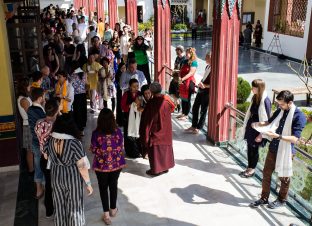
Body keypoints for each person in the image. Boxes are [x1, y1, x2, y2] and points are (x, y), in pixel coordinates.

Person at [250, 90, 306, 209]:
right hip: (273, 147)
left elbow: (295, 139)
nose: (279, 106)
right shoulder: (280, 110)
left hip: (286, 151)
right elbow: (269, 122)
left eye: (281, 104)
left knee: (284, 177)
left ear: (290, 102)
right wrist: (257, 124)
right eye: (279, 104)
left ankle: (281, 200)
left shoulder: (299, 116)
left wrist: (278, 136)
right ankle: (264, 198)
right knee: (266, 173)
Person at [44, 114, 93, 226]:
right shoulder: (74, 143)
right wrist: (88, 183)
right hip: (72, 179)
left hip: (56, 176)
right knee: (75, 208)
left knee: (59, 206)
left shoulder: (50, 139)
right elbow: (82, 166)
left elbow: (47, 156)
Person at [90, 108, 126, 225]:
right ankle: (113, 210)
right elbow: (121, 147)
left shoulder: (96, 134)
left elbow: (94, 149)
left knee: (103, 188)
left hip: (101, 166)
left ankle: (106, 214)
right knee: (113, 185)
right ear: (112, 119)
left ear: (100, 120)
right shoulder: (118, 132)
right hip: (116, 164)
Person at [140, 82, 175, 176]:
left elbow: (146, 121)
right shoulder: (166, 102)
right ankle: (165, 167)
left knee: (155, 150)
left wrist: (145, 135)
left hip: (156, 132)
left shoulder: (151, 104)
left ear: (151, 91)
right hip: (166, 130)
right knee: (165, 148)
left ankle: (155, 170)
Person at [239, 79, 271, 178]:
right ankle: (249, 167)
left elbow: (267, 118)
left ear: (259, 88)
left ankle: (252, 169)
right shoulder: (255, 97)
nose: (251, 88)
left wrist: (261, 134)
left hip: (259, 127)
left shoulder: (265, 100)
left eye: (254, 87)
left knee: (254, 148)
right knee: (250, 147)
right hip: (251, 125)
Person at [35, 99, 60, 218]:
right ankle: (60, 209)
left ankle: (49, 210)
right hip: (56, 160)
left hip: (43, 160)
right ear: (56, 111)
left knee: (49, 184)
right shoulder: (57, 125)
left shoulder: (39, 123)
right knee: (58, 185)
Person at [185, 52, 212, 134]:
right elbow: (205, 78)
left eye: (207, 57)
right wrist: (201, 83)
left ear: (211, 58)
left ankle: (198, 128)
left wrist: (205, 86)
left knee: (203, 110)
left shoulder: (215, 69)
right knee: (195, 107)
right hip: (201, 89)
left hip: (207, 92)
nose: (205, 59)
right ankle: (193, 125)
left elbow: (215, 83)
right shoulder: (207, 67)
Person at [27, 88, 46, 199]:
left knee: (38, 164)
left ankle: (39, 189)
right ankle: (41, 188)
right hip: (41, 143)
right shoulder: (39, 111)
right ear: (39, 98)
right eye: (43, 97)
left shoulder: (30, 109)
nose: (44, 99)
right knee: (41, 165)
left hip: (34, 141)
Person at [121, 79, 142, 158]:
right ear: (130, 87)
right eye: (134, 86)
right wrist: (130, 106)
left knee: (138, 133)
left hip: (138, 117)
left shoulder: (140, 94)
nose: (136, 88)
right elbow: (123, 106)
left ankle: (138, 150)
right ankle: (129, 151)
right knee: (128, 134)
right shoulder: (126, 94)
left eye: (137, 86)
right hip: (128, 117)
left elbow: (143, 104)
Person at [17, 77, 34, 172]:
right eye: (29, 85)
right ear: (25, 87)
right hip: (28, 125)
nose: (30, 86)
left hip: (30, 124)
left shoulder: (26, 97)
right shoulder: (22, 99)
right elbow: (30, 113)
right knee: (30, 150)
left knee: (32, 149)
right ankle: (31, 170)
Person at [177, 47, 198, 121]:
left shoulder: (194, 62)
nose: (186, 54)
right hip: (182, 82)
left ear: (192, 53)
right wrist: (179, 78)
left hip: (189, 82)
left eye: (188, 53)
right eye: (186, 52)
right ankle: (183, 113)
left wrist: (182, 79)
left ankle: (186, 115)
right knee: (183, 98)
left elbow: (191, 73)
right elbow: (180, 71)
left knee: (188, 99)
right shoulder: (184, 61)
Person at [71, 67, 87, 134]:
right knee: (83, 110)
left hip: (76, 95)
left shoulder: (73, 74)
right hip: (83, 94)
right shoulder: (84, 73)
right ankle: (82, 128)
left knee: (77, 111)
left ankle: (78, 128)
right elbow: (86, 83)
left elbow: (72, 85)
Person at [115, 62, 126, 126]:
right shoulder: (118, 74)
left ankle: (123, 121)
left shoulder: (126, 73)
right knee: (119, 106)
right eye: (122, 67)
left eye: (124, 67)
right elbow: (120, 83)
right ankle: (119, 121)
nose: (123, 69)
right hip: (120, 92)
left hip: (124, 92)